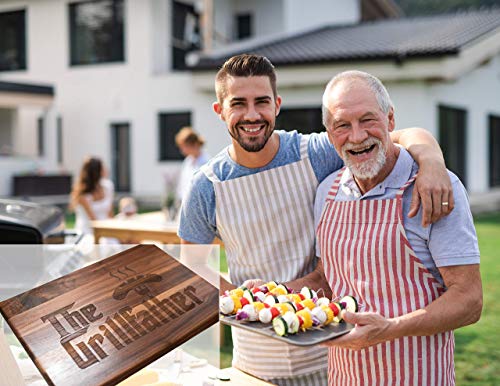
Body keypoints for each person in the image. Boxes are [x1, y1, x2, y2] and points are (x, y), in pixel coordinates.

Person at [178, 54, 453, 386]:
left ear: (277, 104)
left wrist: (433, 162)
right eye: (239, 104)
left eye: (262, 102)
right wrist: (244, 305)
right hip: (255, 361)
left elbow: (400, 134)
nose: (252, 115)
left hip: (332, 351)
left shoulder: (315, 153)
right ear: (220, 110)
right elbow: (192, 265)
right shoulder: (205, 186)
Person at [315, 70, 482, 385]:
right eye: (342, 125)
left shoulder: (434, 188)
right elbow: (328, 277)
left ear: (390, 120)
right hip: (343, 377)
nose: (357, 136)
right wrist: (264, 295)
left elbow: (469, 300)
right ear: (328, 134)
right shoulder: (327, 191)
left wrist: (390, 329)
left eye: (368, 120)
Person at [70, 156, 114, 237]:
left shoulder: (108, 186)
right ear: (96, 172)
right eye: (103, 168)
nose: (106, 169)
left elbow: (110, 213)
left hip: (107, 229)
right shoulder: (82, 195)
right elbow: (94, 222)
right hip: (87, 233)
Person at [175, 126, 210, 204]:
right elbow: (182, 184)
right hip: (186, 203)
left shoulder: (206, 163)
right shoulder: (188, 161)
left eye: (184, 146)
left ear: (193, 144)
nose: (182, 150)